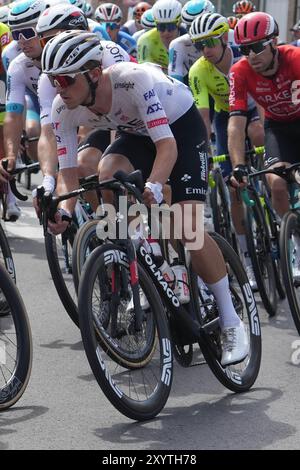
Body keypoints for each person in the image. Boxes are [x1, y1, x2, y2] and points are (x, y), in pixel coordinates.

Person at [41, 30, 250, 366]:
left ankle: (230, 320)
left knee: (187, 226)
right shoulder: (62, 108)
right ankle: (146, 250)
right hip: (137, 134)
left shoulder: (131, 80)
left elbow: (166, 146)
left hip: (180, 128)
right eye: (53, 81)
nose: (58, 89)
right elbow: (69, 174)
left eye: (65, 79)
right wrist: (65, 211)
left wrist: (153, 186)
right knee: (108, 174)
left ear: (94, 73)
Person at [189, 13, 264, 290]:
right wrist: (206, 153)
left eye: (210, 42)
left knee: (258, 136)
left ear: (223, 38)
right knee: (233, 184)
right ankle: (245, 255)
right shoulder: (198, 70)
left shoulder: (245, 60)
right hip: (226, 116)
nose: (205, 50)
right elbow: (203, 118)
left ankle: (268, 191)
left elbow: (265, 100)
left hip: (256, 109)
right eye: (199, 45)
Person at [35, 4, 131, 206]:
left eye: (53, 38)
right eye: (45, 42)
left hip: (129, 122)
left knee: (109, 173)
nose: (52, 46)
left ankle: (126, 226)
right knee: (81, 167)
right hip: (99, 122)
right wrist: (48, 181)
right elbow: (48, 132)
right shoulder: (47, 78)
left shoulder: (109, 53)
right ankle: (100, 225)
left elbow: (118, 111)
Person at [228, 12, 300, 275]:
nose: (252, 55)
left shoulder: (295, 58)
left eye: (257, 47)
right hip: (278, 128)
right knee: (278, 183)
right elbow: (236, 124)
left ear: (274, 42)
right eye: (245, 49)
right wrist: (238, 165)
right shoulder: (240, 72)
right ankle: (294, 240)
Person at [168, 0, 215, 84]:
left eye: (202, 25)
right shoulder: (178, 44)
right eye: (190, 27)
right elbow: (175, 81)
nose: (196, 31)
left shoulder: (229, 36)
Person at [137, 0, 185, 73]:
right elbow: (144, 73)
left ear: (178, 24)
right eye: (161, 27)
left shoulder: (187, 37)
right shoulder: (145, 40)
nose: (166, 32)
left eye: (171, 26)